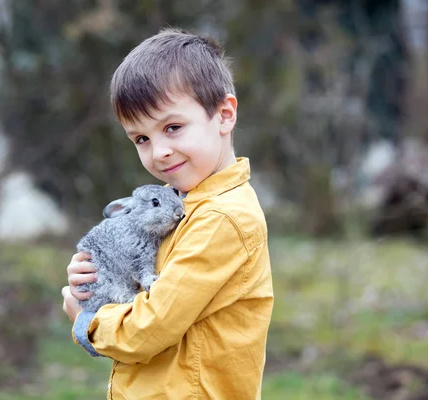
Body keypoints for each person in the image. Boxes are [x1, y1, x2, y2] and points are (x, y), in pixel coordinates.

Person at [61, 27, 274, 399]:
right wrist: (95, 276)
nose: (158, 151)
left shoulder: (221, 218)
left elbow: (149, 328)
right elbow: (134, 265)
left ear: (224, 115)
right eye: (141, 139)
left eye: (172, 128)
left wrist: (86, 322)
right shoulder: (176, 202)